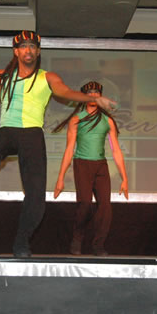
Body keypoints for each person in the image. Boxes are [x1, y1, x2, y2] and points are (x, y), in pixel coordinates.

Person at [0, 31, 117, 258]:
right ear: (16, 51)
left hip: (32, 135)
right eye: (23, 47)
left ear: (38, 51)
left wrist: (93, 98)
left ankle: (21, 241)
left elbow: (66, 92)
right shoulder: (2, 77)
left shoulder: (47, 77)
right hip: (7, 132)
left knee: (36, 199)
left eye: (32, 46)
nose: (28, 50)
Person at [52, 81, 129, 256]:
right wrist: (60, 178)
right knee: (85, 204)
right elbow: (70, 148)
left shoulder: (107, 120)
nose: (93, 96)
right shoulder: (76, 119)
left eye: (96, 93)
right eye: (90, 93)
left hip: (100, 166)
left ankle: (98, 245)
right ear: (83, 96)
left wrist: (124, 178)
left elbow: (116, 150)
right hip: (82, 164)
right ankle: (77, 239)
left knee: (105, 207)